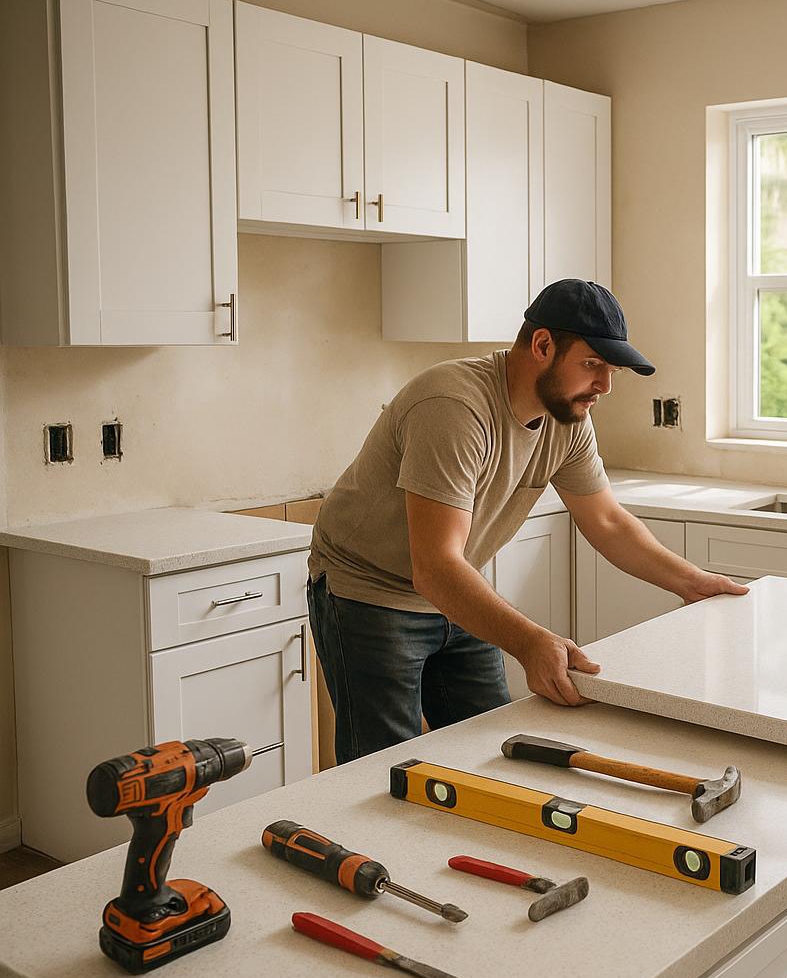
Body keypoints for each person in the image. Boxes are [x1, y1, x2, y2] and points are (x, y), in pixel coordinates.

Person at [307, 279, 747, 764]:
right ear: (542, 346)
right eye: (592, 365)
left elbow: (607, 522)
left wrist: (693, 582)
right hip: (369, 593)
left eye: (611, 369)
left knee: (495, 753)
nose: (605, 386)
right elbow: (432, 566)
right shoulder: (454, 406)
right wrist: (533, 642)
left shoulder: (568, 418)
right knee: (385, 768)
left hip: (456, 586)